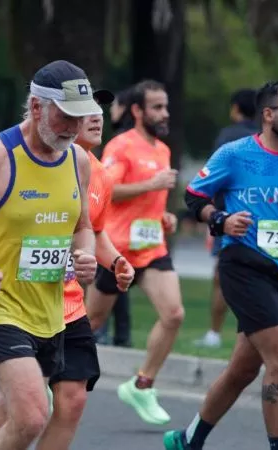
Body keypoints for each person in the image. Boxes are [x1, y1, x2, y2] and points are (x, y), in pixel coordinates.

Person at [0, 90, 136, 450]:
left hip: (58, 306)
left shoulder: (86, 166)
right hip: (2, 302)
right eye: (71, 115)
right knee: (31, 414)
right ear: (38, 107)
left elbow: (88, 228)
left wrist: (103, 259)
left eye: (91, 112)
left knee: (41, 409)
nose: (87, 120)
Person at [164, 80, 278, 450]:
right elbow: (194, 197)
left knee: (242, 370)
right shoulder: (235, 154)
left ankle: (188, 439)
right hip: (242, 266)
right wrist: (220, 220)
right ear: (268, 114)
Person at [85, 79, 183, 425]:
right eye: (157, 107)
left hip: (152, 248)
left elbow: (149, 201)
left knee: (174, 314)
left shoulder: (162, 150)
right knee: (90, 322)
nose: (165, 113)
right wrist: (151, 185)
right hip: (117, 250)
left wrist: (164, 216)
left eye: (166, 106)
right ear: (138, 110)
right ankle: (50, 377)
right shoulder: (121, 145)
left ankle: (142, 385)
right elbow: (106, 188)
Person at [194, 88, 258, 349]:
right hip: (261, 216)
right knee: (258, 279)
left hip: (229, 216)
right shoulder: (265, 137)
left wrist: (211, 213)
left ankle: (214, 333)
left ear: (235, 109)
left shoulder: (227, 137)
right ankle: (253, 334)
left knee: (222, 277)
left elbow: (213, 177)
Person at [93, 86, 135, 348]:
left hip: (117, 234)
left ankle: (111, 334)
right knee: (113, 282)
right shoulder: (120, 144)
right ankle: (116, 335)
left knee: (115, 281)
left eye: (114, 105)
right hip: (115, 233)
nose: (107, 113)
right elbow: (111, 187)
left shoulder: (123, 143)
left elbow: (110, 188)